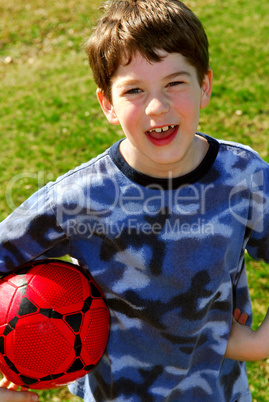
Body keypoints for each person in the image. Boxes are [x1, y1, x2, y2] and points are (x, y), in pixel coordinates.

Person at [0, 0, 268, 401]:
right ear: (108, 104)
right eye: (134, 90)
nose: (157, 107)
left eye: (175, 83)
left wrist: (259, 344)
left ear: (205, 85)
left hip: (218, 391)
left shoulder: (243, 178)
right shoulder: (80, 199)